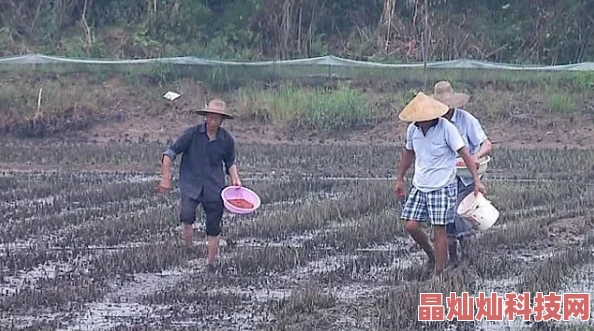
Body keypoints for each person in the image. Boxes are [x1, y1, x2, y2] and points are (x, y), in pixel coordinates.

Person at [394, 91, 486, 279]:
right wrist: (399, 178)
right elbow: (408, 153)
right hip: (420, 185)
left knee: (440, 230)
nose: (419, 121)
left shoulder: (447, 128)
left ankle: (439, 273)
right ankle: (432, 255)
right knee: (411, 225)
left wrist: (476, 181)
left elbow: (465, 154)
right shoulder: (413, 130)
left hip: (443, 186)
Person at [157, 98, 242, 273]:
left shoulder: (227, 140)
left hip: (214, 187)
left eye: (216, 119)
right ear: (206, 117)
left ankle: (210, 264)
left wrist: (235, 178)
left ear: (221, 121)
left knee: (213, 226)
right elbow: (169, 153)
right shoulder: (191, 134)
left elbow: (230, 162)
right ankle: (188, 248)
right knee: (187, 217)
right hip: (191, 183)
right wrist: (165, 178)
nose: (212, 121)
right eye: (210, 117)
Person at [431, 81, 493, 270]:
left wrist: (475, 156)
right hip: (444, 178)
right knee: (447, 218)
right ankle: (454, 259)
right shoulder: (434, 123)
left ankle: (467, 258)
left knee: (461, 213)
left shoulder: (467, 120)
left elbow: (487, 144)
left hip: (466, 175)